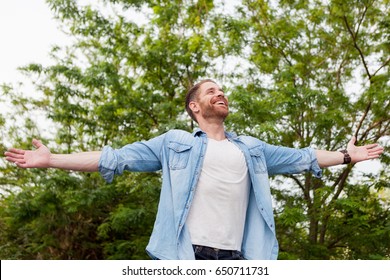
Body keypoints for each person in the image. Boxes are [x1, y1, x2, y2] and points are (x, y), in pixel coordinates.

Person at [4, 79, 384, 260]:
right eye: (210, 91)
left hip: (240, 258)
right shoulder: (174, 143)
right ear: (195, 108)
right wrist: (52, 159)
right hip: (186, 256)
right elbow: (114, 158)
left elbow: (301, 157)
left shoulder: (251, 148)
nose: (221, 93)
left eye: (223, 90)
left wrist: (346, 156)